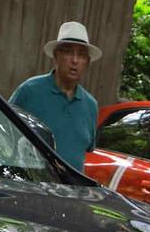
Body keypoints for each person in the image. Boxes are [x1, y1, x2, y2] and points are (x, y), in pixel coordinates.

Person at [9, 21, 102, 170]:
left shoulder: (90, 105)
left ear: (88, 63)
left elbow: (85, 151)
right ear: (56, 55)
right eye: (68, 52)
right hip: (31, 186)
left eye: (82, 55)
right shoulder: (30, 90)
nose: (75, 60)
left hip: (71, 190)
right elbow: (4, 133)